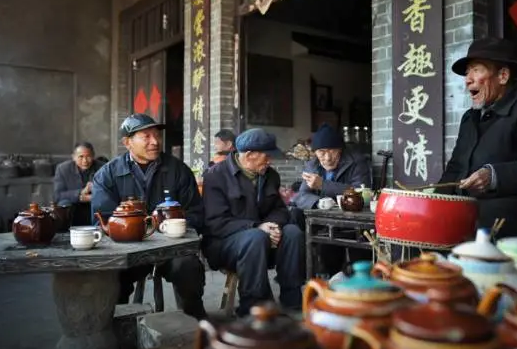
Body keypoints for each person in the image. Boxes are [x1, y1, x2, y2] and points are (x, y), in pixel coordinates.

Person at [436, 37, 517, 238]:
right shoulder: (470, 118)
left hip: (508, 230)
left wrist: (493, 176)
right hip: (462, 224)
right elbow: (455, 168)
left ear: (502, 76)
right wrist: (434, 201)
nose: (468, 79)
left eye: (476, 70)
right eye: (467, 73)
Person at [91, 113, 207, 319]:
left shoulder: (178, 170)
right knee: (110, 276)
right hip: (127, 251)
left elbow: (197, 213)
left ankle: (194, 319)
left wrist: (173, 226)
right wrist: (135, 229)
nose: (155, 141)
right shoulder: (107, 174)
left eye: (157, 135)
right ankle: (115, 324)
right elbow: (102, 219)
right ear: (127, 142)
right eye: (146, 136)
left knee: (188, 266)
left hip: (171, 250)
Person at [201, 128, 304, 316]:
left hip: (261, 238)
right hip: (224, 244)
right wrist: (257, 227)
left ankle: (292, 299)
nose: (269, 161)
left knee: (293, 233)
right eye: (267, 157)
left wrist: (272, 226)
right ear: (249, 155)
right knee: (256, 237)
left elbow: (280, 210)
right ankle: (253, 306)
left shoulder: (270, 175)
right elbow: (215, 223)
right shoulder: (215, 176)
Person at [290, 123, 372, 276]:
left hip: (352, 218)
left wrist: (323, 185)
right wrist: (318, 202)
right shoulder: (312, 164)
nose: (327, 158)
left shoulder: (357, 162)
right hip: (325, 218)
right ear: (315, 152)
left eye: (332, 152)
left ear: (340, 150)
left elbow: (362, 192)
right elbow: (301, 195)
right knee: (295, 216)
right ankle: (312, 271)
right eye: (322, 152)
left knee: (357, 255)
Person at [53, 142, 104, 226]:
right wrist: (80, 193)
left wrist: (93, 197)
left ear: (93, 156)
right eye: (81, 157)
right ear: (73, 157)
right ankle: (65, 231)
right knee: (64, 204)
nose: (85, 161)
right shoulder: (63, 169)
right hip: (73, 206)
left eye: (88, 157)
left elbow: (110, 192)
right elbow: (57, 195)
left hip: (94, 206)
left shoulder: (102, 167)